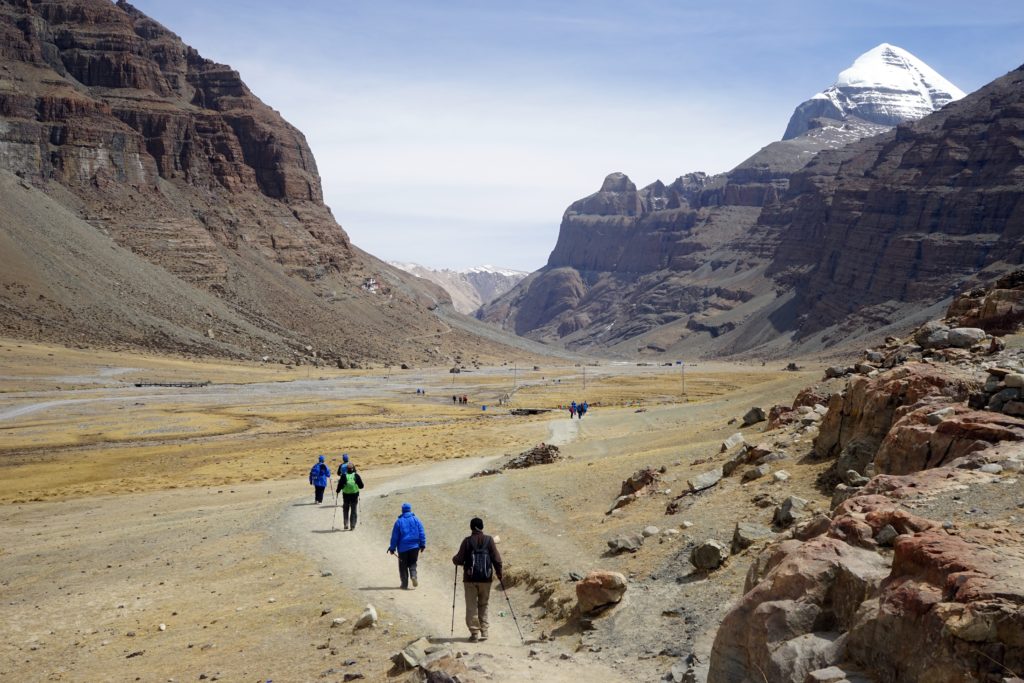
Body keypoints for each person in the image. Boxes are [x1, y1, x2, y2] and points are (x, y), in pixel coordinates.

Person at [452, 517, 503, 642]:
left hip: (470, 579)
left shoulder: (467, 541)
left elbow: (459, 559)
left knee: (471, 605)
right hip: (486, 579)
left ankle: (474, 633)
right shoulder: (489, 540)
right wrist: (499, 573)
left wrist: (454, 559)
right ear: (482, 527)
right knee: (483, 604)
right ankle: (484, 630)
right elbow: (497, 559)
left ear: (471, 527)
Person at [387, 502, 426, 589]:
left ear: (402, 510)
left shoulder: (399, 522)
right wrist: (422, 544)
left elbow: (395, 537)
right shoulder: (416, 520)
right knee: (413, 563)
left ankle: (404, 584)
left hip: (403, 548)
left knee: (403, 566)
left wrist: (392, 548)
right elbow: (421, 533)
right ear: (410, 510)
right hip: (415, 547)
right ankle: (414, 576)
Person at [337, 463, 364, 530]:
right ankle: (352, 525)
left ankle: (346, 524)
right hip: (354, 495)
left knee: (345, 509)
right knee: (353, 510)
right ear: (353, 468)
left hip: (346, 495)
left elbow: (340, 485)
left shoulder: (343, 476)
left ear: (347, 469)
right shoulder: (356, 476)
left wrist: (337, 491)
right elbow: (361, 486)